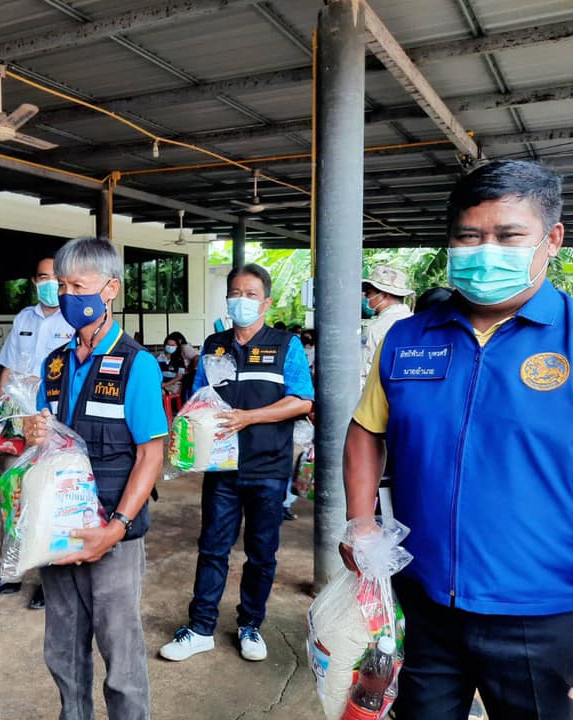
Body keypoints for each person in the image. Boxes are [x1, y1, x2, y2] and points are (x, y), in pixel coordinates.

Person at [343, 160, 573, 720]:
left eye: (508, 235)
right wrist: (362, 522)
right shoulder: (407, 337)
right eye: (469, 237)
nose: (485, 252)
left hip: (543, 615)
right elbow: (366, 429)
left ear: (552, 240)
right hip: (423, 605)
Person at [22, 236, 167, 720]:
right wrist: (33, 431)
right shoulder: (55, 363)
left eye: (78, 286)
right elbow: (44, 439)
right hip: (58, 528)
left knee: (120, 653)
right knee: (63, 647)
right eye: (61, 286)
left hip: (112, 533)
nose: (67, 296)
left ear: (110, 289)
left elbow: (150, 454)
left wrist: (116, 528)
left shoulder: (137, 365)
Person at [159, 262, 314, 663]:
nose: (241, 301)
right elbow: (198, 399)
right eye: (235, 293)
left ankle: (250, 625)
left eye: (250, 295)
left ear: (266, 302)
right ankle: (200, 628)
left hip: (268, 467)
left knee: (261, 553)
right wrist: (185, 434)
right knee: (213, 548)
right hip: (221, 469)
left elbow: (302, 400)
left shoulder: (285, 345)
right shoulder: (215, 345)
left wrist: (250, 417)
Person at [0, 257, 74, 609]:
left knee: (50, 497)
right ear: (34, 281)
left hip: (54, 423)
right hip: (18, 421)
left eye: (57, 278)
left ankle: (51, 577)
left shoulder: (73, 318)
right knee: (13, 494)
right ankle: (9, 573)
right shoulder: (24, 319)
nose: (51, 284)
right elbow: (9, 367)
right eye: (44, 277)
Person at [361, 265, 414, 381]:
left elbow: (364, 374)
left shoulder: (374, 329)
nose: (365, 297)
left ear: (384, 295)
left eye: (368, 293)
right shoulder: (417, 322)